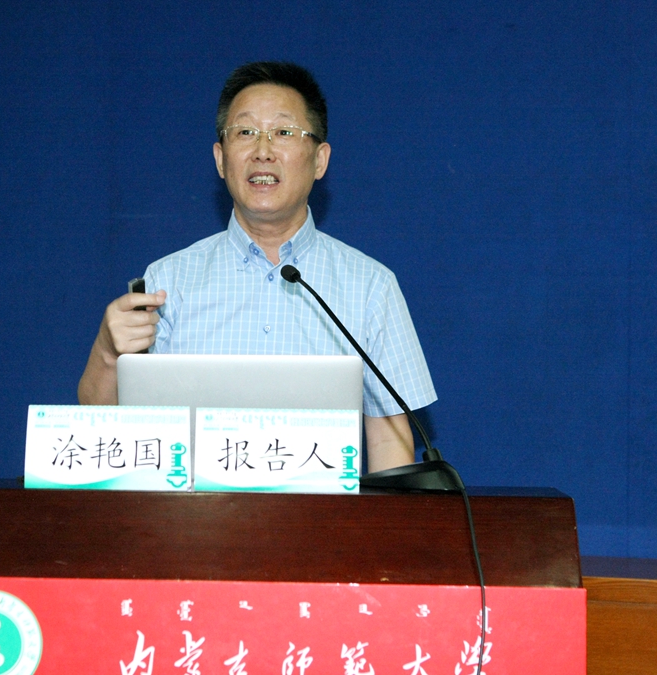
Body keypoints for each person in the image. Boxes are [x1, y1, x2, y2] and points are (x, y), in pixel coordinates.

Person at [78, 62, 436, 472]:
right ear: (220, 158)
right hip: (193, 511)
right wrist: (107, 353)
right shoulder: (167, 281)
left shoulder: (371, 286)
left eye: (284, 132)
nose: (263, 150)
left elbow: (389, 442)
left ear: (320, 160)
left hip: (321, 513)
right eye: (245, 132)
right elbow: (103, 430)